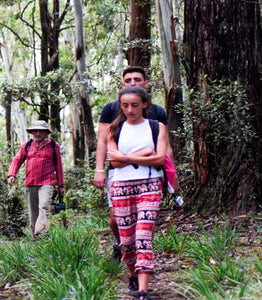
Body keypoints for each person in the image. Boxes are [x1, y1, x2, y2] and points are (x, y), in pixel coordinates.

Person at [93, 66, 177, 260]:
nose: (133, 83)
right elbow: (102, 141)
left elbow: (166, 147)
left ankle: (140, 253)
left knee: (144, 215)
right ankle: (121, 243)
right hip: (118, 170)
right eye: (128, 80)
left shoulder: (157, 112)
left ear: (145, 84)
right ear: (123, 84)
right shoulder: (111, 110)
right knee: (116, 216)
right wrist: (99, 170)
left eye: (137, 79)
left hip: (150, 171)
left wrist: (172, 175)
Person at [106, 86, 168, 300]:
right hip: (121, 187)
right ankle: (132, 274)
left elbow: (160, 158)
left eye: (134, 105)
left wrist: (127, 158)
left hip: (150, 184)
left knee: (143, 235)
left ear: (144, 104)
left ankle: (142, 290)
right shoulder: (114, 129)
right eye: (125, 105)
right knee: (126, 239)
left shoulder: (156, 127)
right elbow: (114, 162)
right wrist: (144, 153)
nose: (130, 109)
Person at [7, 120, 65, 236]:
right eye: (36, 131)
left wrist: (61, 185)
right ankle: (36, 239)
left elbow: (59, 166)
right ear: (32, 132)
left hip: (47, 182)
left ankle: (41, 233)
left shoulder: (54, 146)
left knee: (43, 206)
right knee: (33, 213)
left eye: (41, 131)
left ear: (45, 133)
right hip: (30, 182)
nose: (38, 133)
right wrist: (12, 174)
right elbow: (17, 160)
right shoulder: (27, 145)